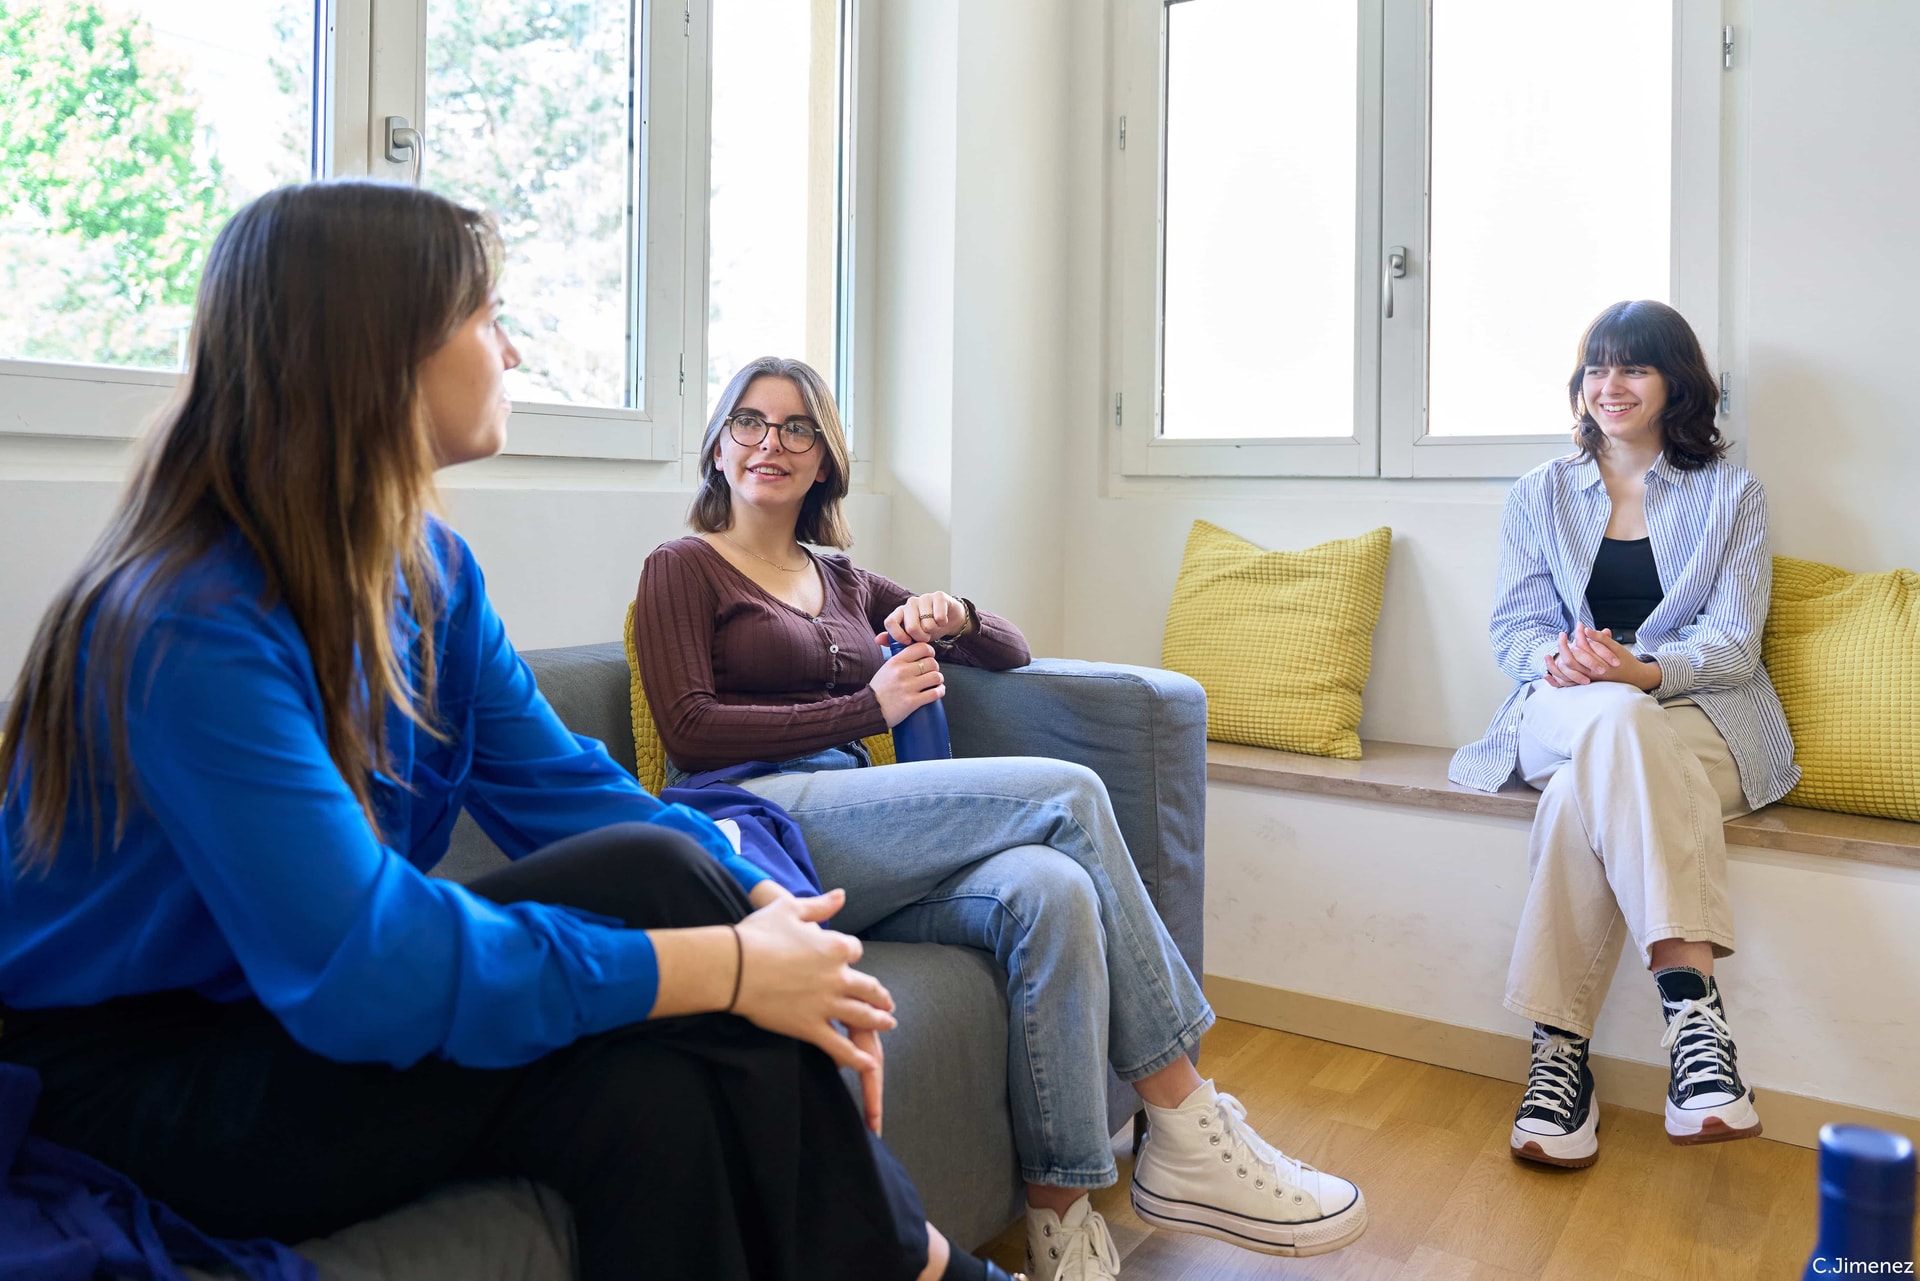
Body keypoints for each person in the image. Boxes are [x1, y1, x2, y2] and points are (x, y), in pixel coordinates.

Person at [0, 181, 1022, 1281]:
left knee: (657, 1089)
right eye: (489, 317)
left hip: (270, 1026)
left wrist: (776, 922)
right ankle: (920, 1261)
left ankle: (909, 1256)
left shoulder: (429, 573)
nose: (515, 352)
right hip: (135, 1079)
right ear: (383, 347)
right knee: (654, 886)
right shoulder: (188, 618)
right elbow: (365, 966)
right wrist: (728, 967)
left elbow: (570, 790)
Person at [632, 356, 1369, 1279]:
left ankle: (1061, 1225)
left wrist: (957, 610)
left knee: (1052, 889)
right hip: (758, 814)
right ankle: (1186, 1114)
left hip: (863, 829)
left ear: (825, 461)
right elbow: (690, 731)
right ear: (716, 446)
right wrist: (871, 709)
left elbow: (1008, 650)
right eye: (748, 422)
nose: (769, 444)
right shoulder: (684, 567)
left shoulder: (848, 581)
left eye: (796, 428)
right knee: (1066, 793)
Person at [1450, 300, 1799, 1169]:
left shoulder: (1734, 496)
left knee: (1583, 788)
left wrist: (1639, 671)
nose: (1611, 385)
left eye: (1634, 368)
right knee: (1608, 721)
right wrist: (1569, 662)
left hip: (1700, 716)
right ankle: (1695, 1020)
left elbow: (1730, 642)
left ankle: (1559, 1059)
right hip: (1565, 707)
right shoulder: (1541, 492)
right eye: (1597, 368)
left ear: (1676, 382)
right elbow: (1515, 630)